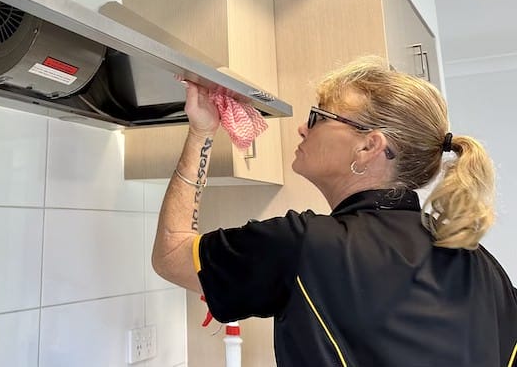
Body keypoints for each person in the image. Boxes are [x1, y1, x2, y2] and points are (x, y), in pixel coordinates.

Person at [152, 56, 517, 366]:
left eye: (318, 116)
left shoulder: (306, 246)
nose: (301, 127)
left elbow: (171, 254)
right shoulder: (483, 265)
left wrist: (201, 132)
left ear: (368, 147)